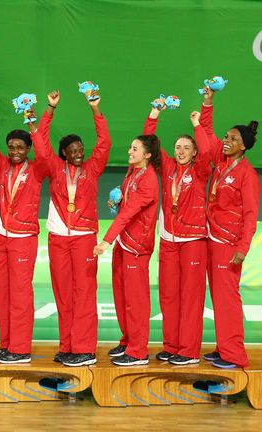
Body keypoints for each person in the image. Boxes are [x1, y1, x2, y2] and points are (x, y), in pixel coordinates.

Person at [32, 90, 112, 367]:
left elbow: (104, 142)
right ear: (64, 154)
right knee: (63, 294)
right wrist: (49, 110)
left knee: (84, 294)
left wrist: (95, 109)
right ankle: (67, 346)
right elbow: (41, 143)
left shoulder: (93, 168)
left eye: (81, 150)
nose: (79, 154)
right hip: (58, 238)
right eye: (73, 151)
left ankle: (85, 349)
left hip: (84, 238)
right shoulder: (55, 168)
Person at [0, 101, 48, 364]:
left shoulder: (37, 170)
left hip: (23, 239)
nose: (15, 152)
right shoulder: (1, 165)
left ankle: (21, 348)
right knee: (1, 294)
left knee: (20, 295)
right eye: (12, 147)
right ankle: (7, 345)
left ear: (28, 149)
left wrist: (33, 127)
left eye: (20, 148)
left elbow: (45, 154)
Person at [139, 105, 213, 365]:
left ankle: (189, 351)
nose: (181, 152)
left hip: (193, 240)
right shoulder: (167, 167)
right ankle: (171, 345)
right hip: (169, 239)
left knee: (191, 298)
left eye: (187, 148)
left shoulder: (201, 170)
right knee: (168, 295)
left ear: (194, 153)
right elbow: (149, 143)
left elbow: (208, 151)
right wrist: (154, 114)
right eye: (178, 147)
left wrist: (197, 125)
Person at [199, 87, 261, 369]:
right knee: (218, 298)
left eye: (233, 139)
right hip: (212, 238)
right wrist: (208, 102)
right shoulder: (221, 161)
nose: (226, 141)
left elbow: (251, 214)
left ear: (243, 146)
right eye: (227, 136)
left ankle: (235, 354)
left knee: (228, 299)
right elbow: (207, 132)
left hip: (229, 244)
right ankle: (223, 346)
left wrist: (242, 248)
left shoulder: (248, 175)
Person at [93, 118, 161, 367]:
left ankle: (138, 351)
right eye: (131, 147)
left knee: (136, 301)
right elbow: (125, 206)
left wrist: (106, 241)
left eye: (135, 149)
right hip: (125, 242)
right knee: (121, 297)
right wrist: (118, 199)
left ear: (147, 155)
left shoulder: (149, 180)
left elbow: (129, 213)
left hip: (136, 246)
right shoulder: (133, 172)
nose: (130, 152)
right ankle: (128, 341)